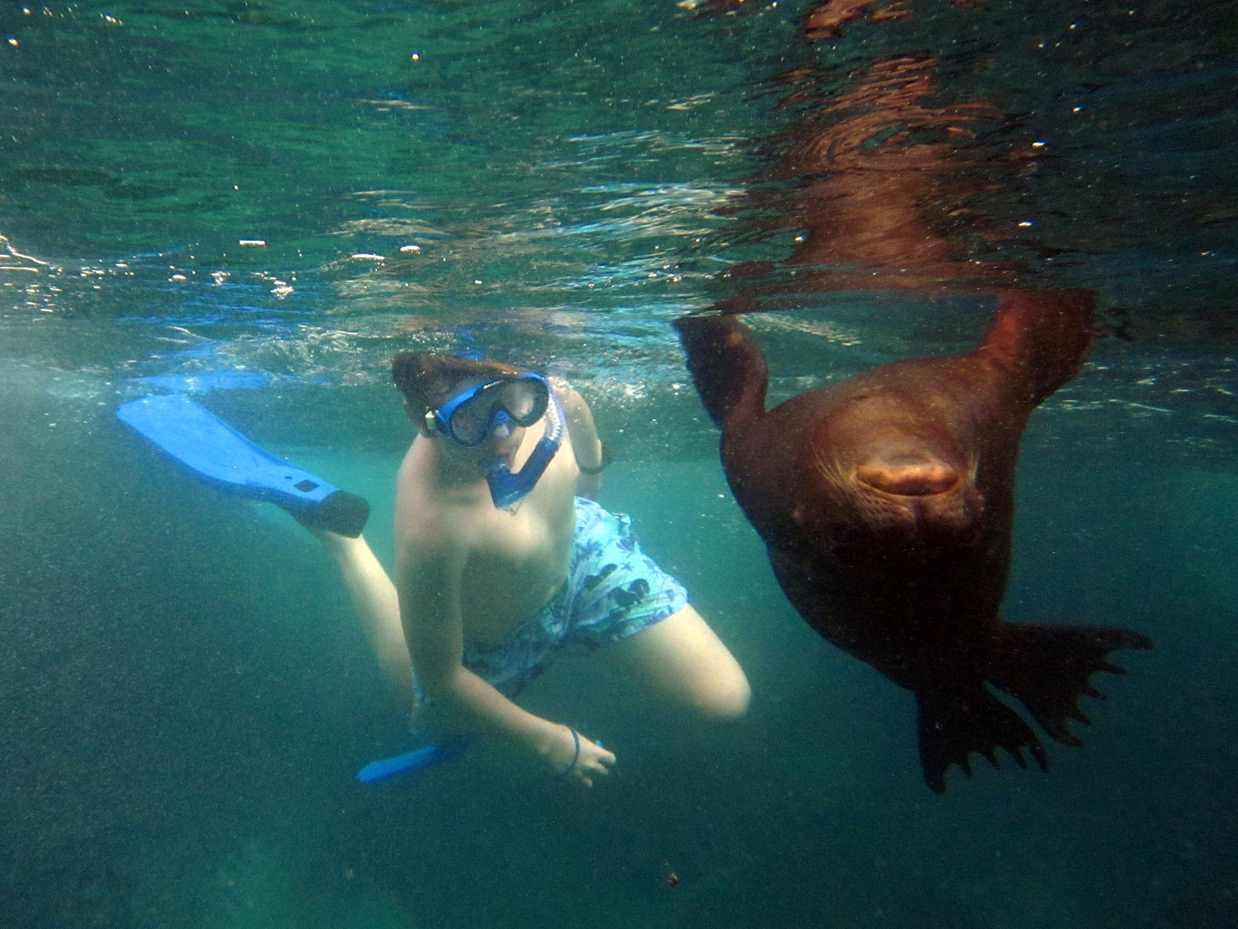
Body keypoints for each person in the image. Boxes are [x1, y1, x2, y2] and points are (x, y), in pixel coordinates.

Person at [315, 352, 750, 788]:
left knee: (726, 699)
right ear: (423, 420)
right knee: (432, 714)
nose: (503, 433)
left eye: (516, 403)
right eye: (471, 421)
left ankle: (574, 634)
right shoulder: (431, 527)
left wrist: (591, 474)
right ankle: (345, 543)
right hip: (491, 640)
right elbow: (441, 677)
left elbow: (573, 409)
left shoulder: (549, 396)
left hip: (580, 554)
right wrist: (548, 741)